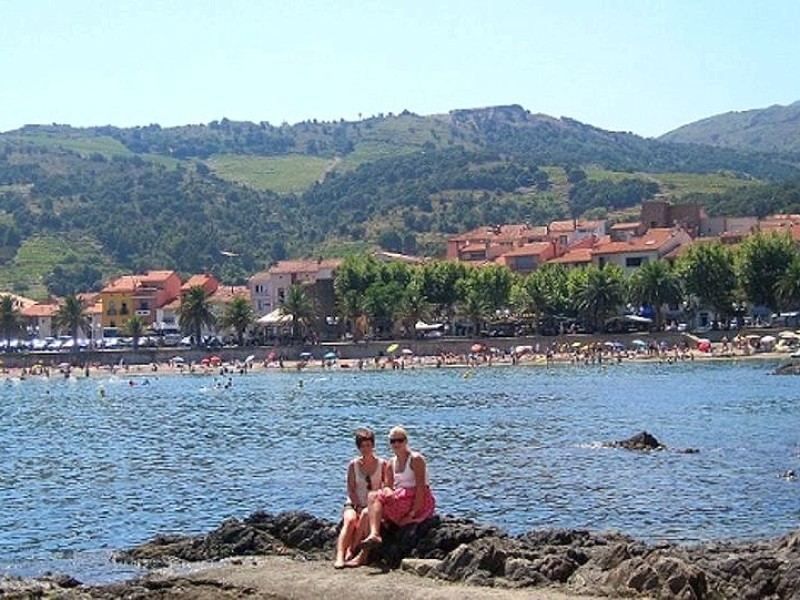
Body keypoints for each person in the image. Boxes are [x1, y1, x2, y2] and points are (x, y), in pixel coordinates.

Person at [348, 426, 435, 565]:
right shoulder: (390, 463)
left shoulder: (416, 459)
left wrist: (413, 513)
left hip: (415, 501)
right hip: (400, 499)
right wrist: (388, 491)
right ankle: (358, 551)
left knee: (372, 501)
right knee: (366, 512)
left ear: (406, 441)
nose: (396, 444)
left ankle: (366, 544)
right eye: (393, 441)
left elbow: (421, 488)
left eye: (399, 440)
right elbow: (388, 485)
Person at [334, 427, 385, 569]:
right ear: (358, 447)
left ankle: (352, 551)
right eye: (362, 446)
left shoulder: (382, 464)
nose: (366, 448)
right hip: (354, 503)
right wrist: (356, 505)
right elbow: (351, 489)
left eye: (368, 445)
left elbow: (385, 486)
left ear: (373, 445)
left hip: (371, 504)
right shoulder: (353, 464)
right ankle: (340, 556)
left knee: (365, 514)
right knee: (350, 520)